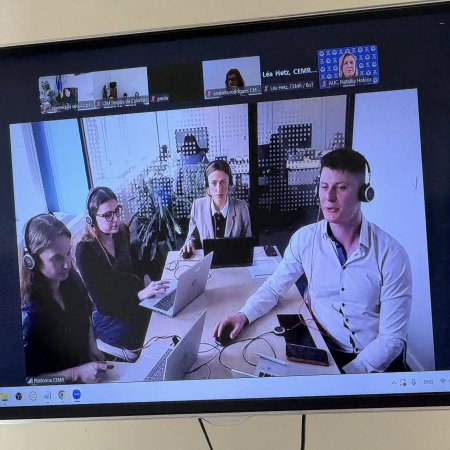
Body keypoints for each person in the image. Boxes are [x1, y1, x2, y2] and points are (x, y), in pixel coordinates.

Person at [215, 149, 412, 374]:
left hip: (374, 363)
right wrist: (243, 315)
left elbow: (391, 338)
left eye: (341, 188)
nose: (329, 197)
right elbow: (274, 288)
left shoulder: (392, 255)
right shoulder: (305, 239)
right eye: (324, 186)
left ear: (364, 193)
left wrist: (347, 377)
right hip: (324, 350)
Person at [75, 187, 169, 350]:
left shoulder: (121, 231)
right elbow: (104, 304)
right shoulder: (85, 250)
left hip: (134, 299)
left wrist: (147, 279)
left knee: (165, 314)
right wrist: (140, 295)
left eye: (116, 211)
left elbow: (135, 264)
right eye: (107, 215)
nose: (115, 219)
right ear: (92, 219)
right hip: (110, 318)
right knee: (156, 331)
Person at [20, 214, 108, 383]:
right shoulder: (29, 316)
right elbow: (30, 381)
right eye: (56, 258)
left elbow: (86, 316)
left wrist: (91, 346)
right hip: (57, 394)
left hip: (87, 376)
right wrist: (76, 374)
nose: (67, 264)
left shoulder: (71, 282)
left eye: (68, 253)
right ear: (32, 261)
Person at [181, 160, 251, 254]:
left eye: (223, 182)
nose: (219, 189)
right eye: (214, 183)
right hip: (207, 261)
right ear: (207, 185)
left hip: (234, 259)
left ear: (229, 183)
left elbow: (248, 242)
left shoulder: (241, 207)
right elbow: (191, 237)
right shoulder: (197, 206)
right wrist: (189, 244)